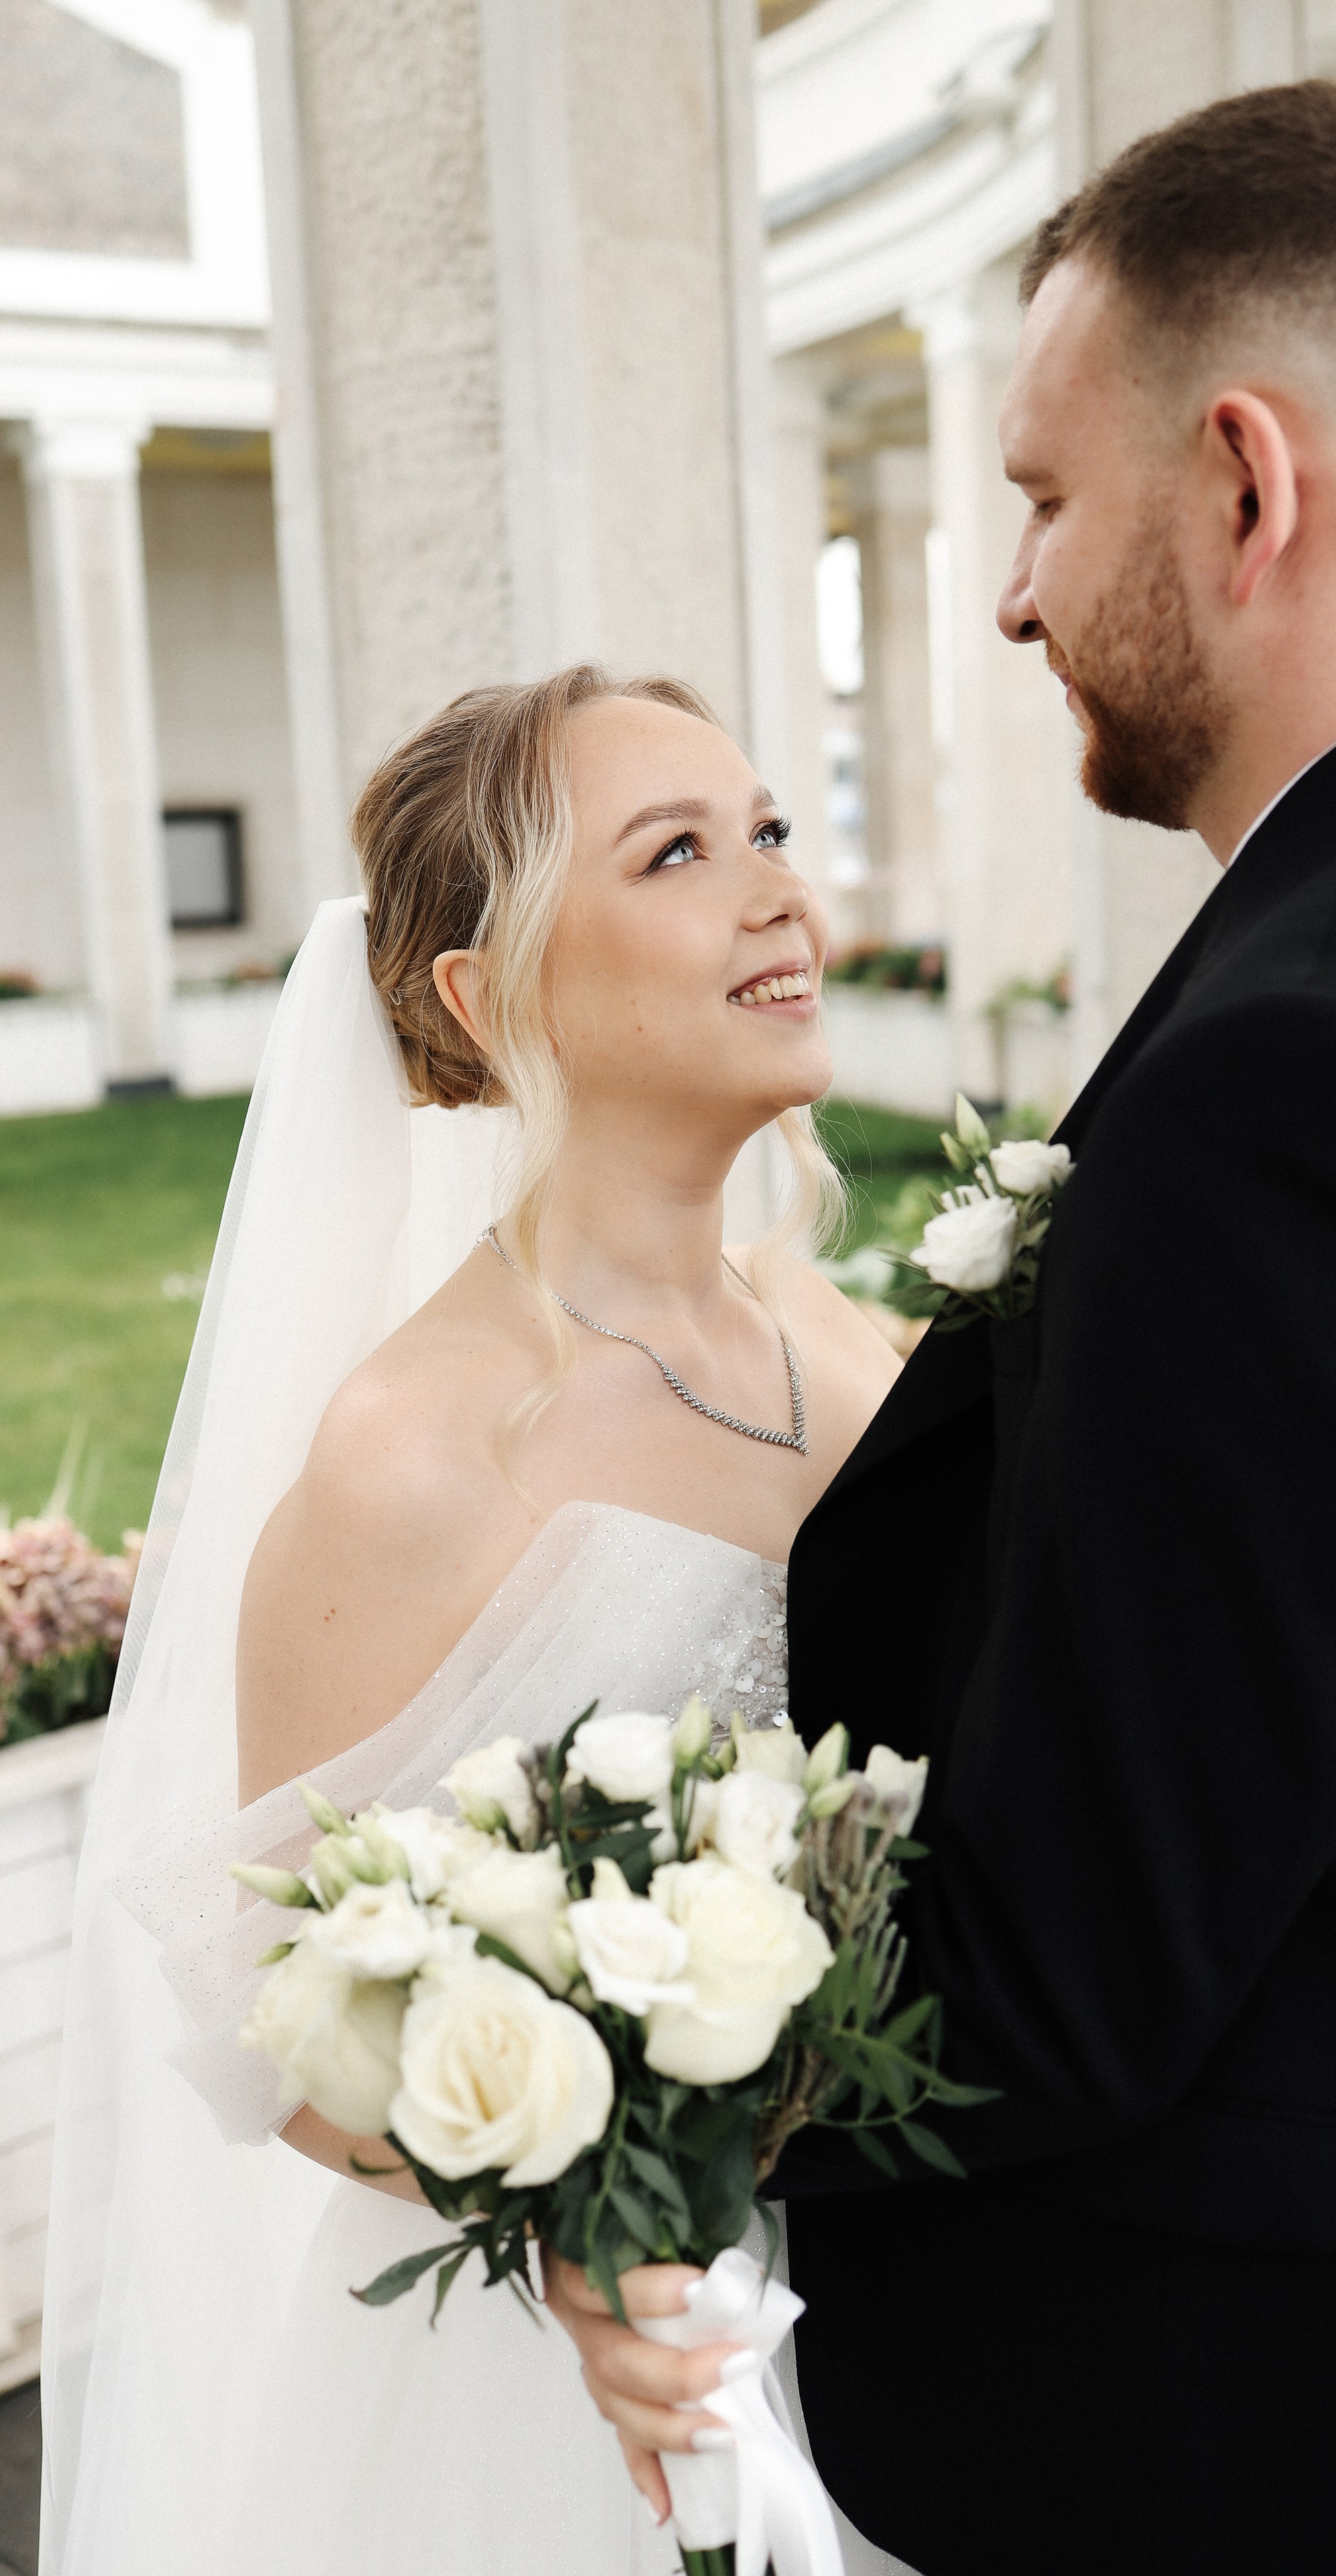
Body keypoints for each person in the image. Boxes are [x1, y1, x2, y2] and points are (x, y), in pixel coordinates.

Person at [558, 78, 1336, 2576]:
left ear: (1246, 481)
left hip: (1271, 2454)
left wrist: (600, 2073)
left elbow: (1069, 1971)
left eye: (1044, 499)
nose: (1007, 594)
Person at [37, 666, 898, 2576]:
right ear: (480, 989)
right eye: (678, 852)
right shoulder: (412, 1455)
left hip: (920, 2316)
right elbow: (295, 2020)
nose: (775, 890)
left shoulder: (869, 1347)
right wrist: (594, 2214)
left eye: (767, 828)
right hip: (569, 2408)